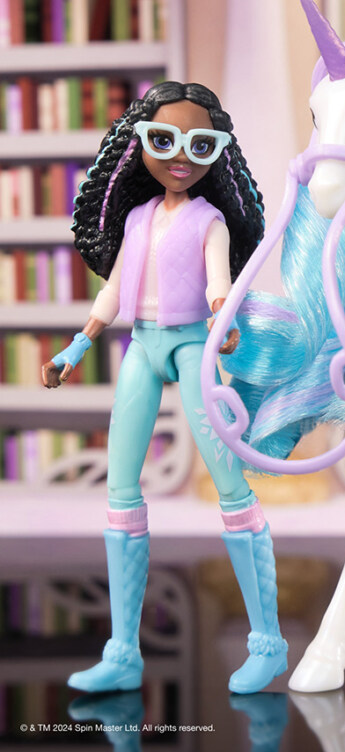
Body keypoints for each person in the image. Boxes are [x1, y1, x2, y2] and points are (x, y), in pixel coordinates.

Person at [43, 81, 287, 695]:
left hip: (192, 345)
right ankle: (122, 652)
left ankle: (268, 643)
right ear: (140, 144)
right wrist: (78, 346)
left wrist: (224, 322)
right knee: (121, 489)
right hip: (142, 345)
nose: (180, 156)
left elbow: (218, 284)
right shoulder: (136, 217)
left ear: (217, 152)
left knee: (230, 484)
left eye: (199, 145)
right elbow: (113, 289)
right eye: (163, 140)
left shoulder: (211, 220)